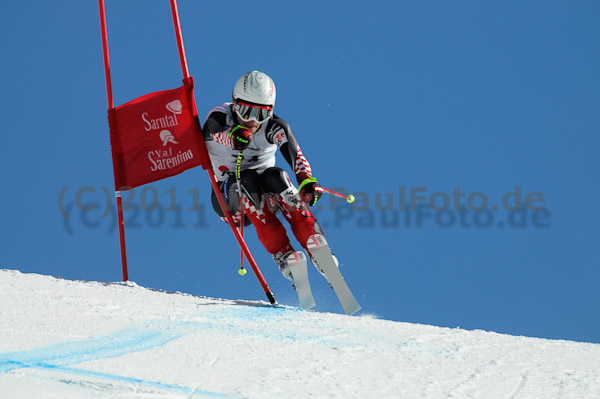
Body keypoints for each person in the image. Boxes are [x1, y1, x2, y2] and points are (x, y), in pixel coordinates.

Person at [203, 70, 333, 287]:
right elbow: (210, 131)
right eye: (246, 111)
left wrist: (306, 180)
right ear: (235, 104)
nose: (253, 121)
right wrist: (231, 136)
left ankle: (316, 247)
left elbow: (295, 155)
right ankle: (283, 254)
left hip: (267, 197)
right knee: (246, 179)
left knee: (277, 176)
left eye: (261, 114)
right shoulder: (220, 116)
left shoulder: (274, 127)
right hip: (231, 204)